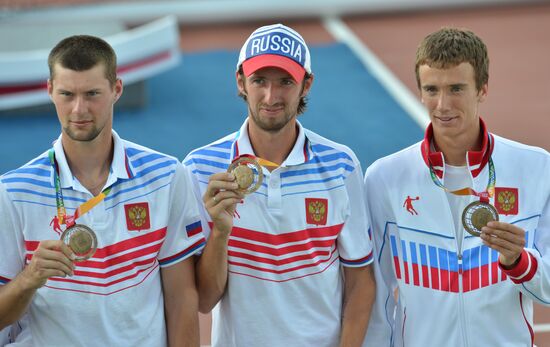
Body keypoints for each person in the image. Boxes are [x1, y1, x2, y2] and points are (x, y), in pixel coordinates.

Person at [0, 35, 204, 346]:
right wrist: (28, 280)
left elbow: (182, 299)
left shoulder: (166, 177)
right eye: (67, 94)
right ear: (50, 91)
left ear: (116, 90)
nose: (79, 109)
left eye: (92, 94)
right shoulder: (13, 192)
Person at [184, 23, 376, 346]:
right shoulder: (200, 170)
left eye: (285, 82)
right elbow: (204, 300)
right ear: (241, 81)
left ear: (306, 84)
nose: (271, 97)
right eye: (259, 80)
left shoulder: (341, 166)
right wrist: (219, 231)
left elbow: (361, 283)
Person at [363, 27, 550, 347]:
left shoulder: (536, 169)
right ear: (420, 91)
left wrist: (519, 261)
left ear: (483, 89)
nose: (442, 104)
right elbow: (377, 295)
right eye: (432, 89)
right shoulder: (385, 178)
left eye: (456, 89)